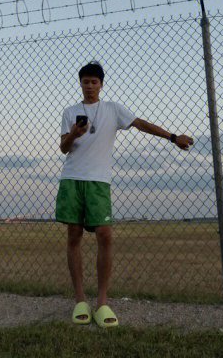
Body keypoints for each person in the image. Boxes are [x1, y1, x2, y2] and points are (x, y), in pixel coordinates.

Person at [55, 61, 193, 327]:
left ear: (101, 84)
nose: (90, 86)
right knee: (74, 236)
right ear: (80, 83)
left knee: (105, 236)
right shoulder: (70, 111)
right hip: (72, 178)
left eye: (95, 82)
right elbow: (63, 148)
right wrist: (74, 133)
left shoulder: (113, 109)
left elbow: (140, 124)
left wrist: (172, 137)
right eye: (86, 82)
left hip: (99, 182)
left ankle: (102, 302)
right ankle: (80, 300)